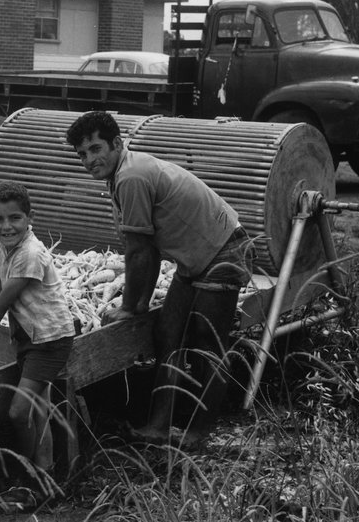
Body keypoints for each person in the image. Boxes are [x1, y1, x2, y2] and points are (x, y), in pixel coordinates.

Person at [65, 110, 252, 448]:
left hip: (223, 252)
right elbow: (145, 250)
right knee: (168, 335)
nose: (89, 160)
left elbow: (140, 253)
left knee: (207, 344)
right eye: (82, 154)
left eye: (95, 149)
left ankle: (197, 434)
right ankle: (158, 426)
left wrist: (129, 308)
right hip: (194, 259)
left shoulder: (131, 177)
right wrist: (136, 305)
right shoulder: (123, 171)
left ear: (117, 143)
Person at [0, 181, 75, 512]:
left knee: (19, 412)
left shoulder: (30, 255)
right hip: (29, 337)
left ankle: (27, 480)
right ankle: (47, 479)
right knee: (39, 409)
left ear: (29, 218)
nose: (6, 226)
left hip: (50, 341)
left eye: (15, 218)